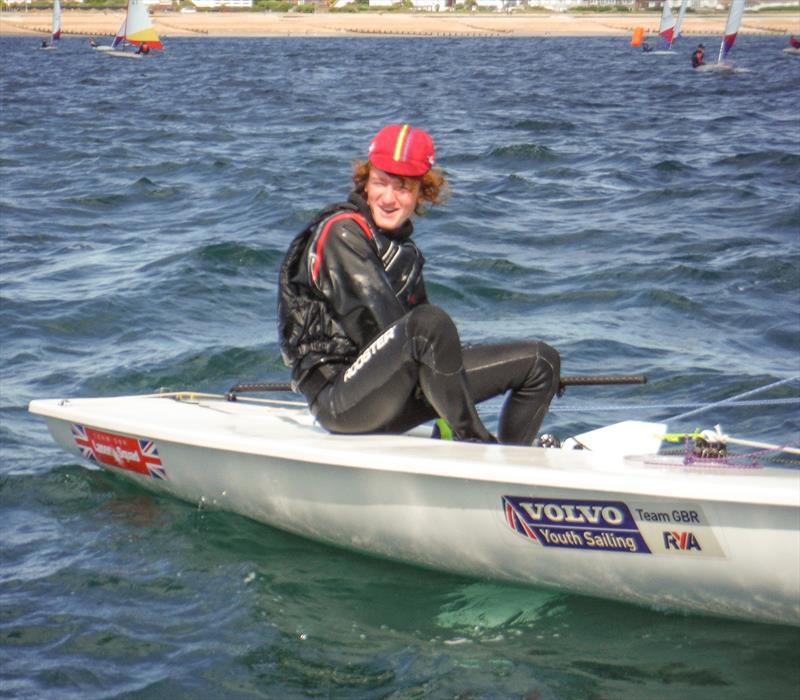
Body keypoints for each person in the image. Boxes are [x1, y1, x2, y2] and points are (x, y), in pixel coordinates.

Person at [277, 124, 561, 445]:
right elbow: (386, 332)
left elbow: (422, 347)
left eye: (402, 188)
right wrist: (450, 392)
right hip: (341, 401)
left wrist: (447, 395)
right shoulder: (342, 233)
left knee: (541, 362)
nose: (388, 198)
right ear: (365, 183)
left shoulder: (404, 251)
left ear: (422, 193)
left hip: (395, 390)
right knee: (429, 323)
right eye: (379, 183)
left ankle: (511, 469)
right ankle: (476, 442)